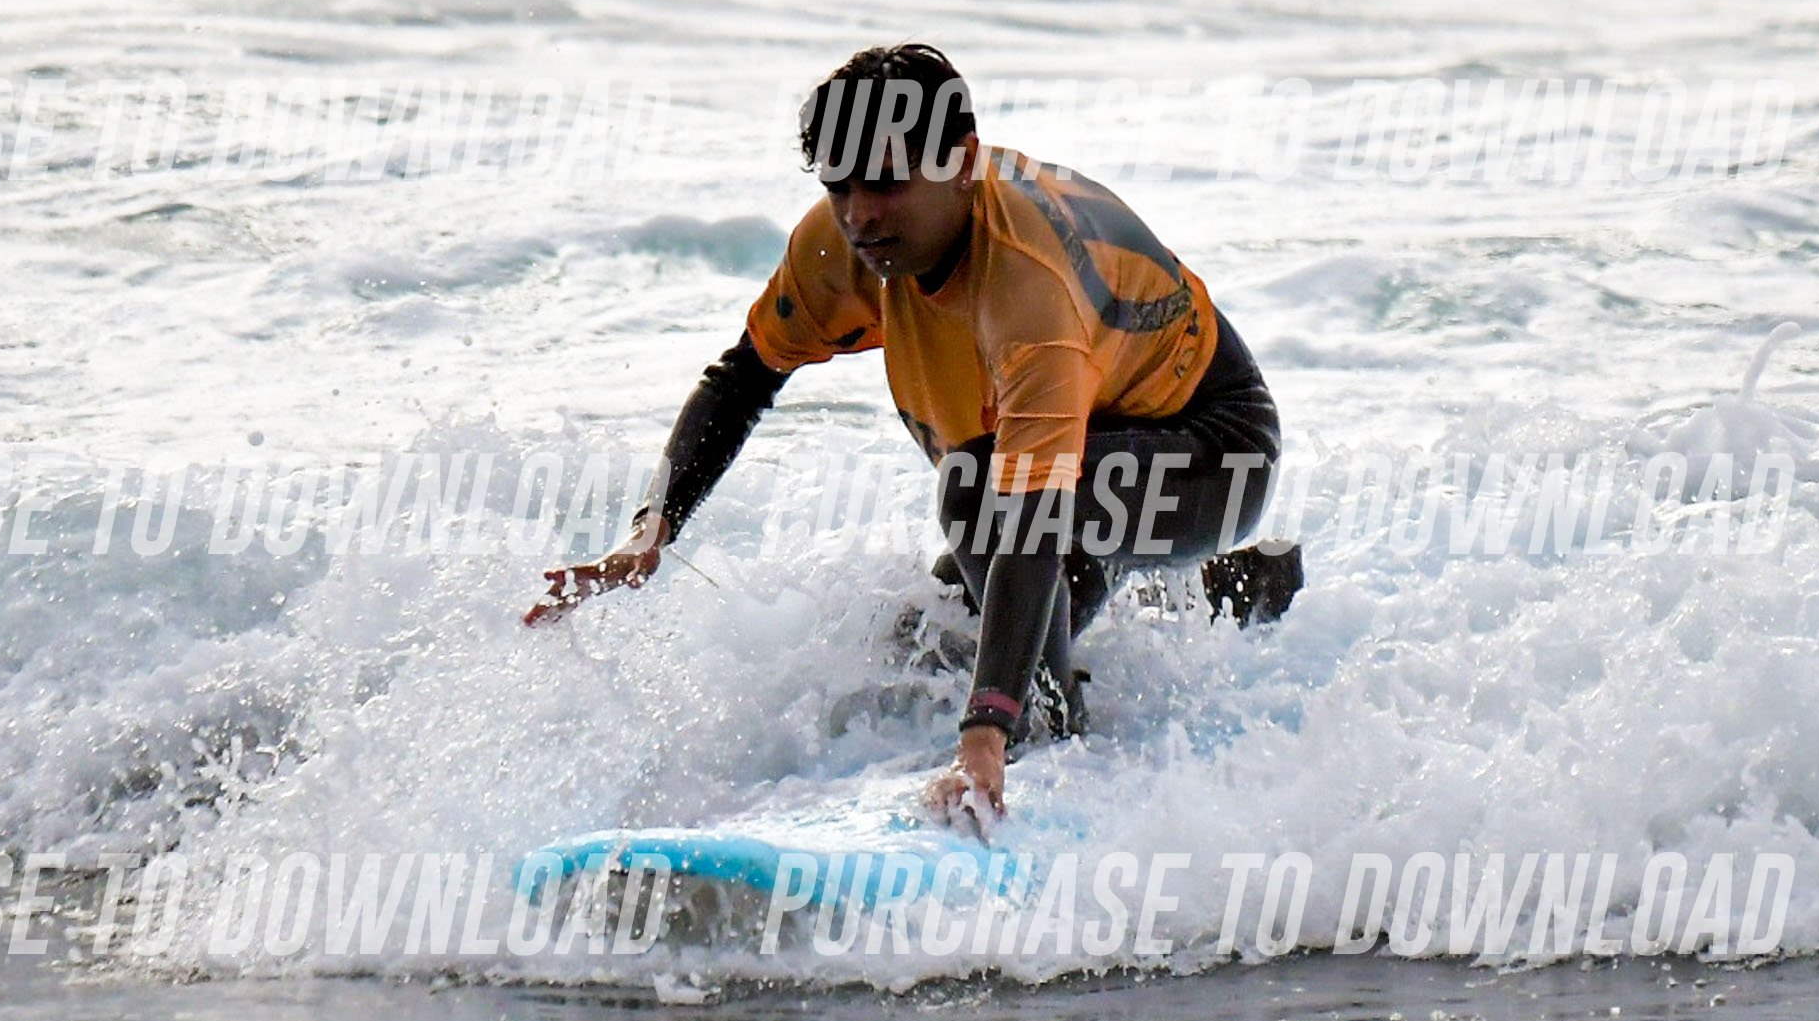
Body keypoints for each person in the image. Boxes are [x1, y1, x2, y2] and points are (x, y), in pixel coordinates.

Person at [527, 43, 1295, 832]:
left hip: (1212, 449)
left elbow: (1029, 517)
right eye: (839, 185)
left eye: (888, 183)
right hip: (1088, 449)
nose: (860, 214)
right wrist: (651, 529)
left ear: (961, 162)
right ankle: (1239, 588)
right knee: (929, 640)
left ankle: (1053, 743)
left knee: (979, 505)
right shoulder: (840, 247)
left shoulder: (1028, 286)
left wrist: (985, 735)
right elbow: (742, 379)